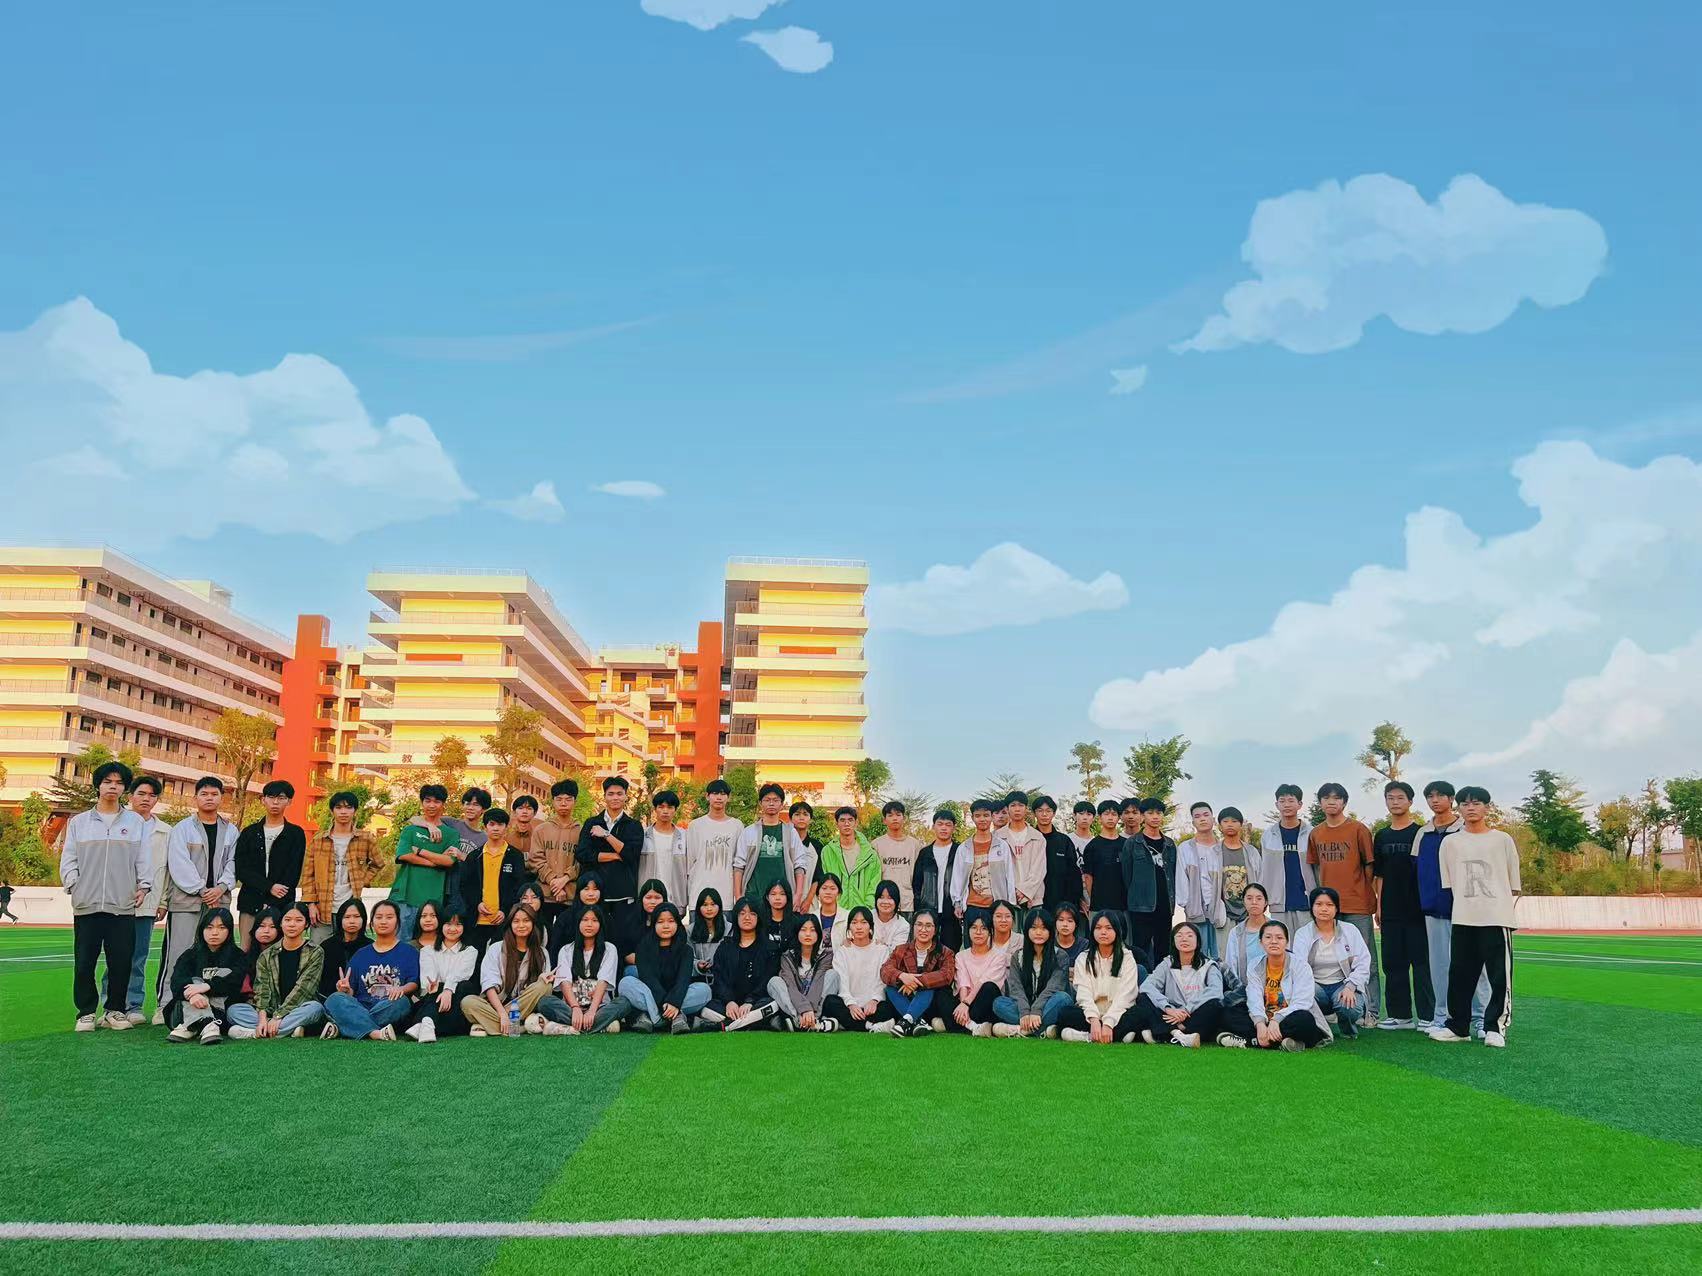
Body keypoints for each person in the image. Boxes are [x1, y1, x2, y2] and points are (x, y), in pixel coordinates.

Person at [60, 759, 149, 1032]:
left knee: (121, 961)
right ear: (98, 785)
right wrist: (74, 884)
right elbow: (69, 858)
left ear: (124, 789)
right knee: (84, 962)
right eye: (107, 782)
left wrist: (144, 886)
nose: (113, 787)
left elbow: (143, 858)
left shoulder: (135, 822)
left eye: (119, 783)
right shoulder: (80, 822)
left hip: (122, 904)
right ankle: (86, 1013)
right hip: (87, 904)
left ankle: (115, 1010)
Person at [1431, 786, 1520, 1048]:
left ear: (1487, 808)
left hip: (1496, 918)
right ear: (1458, 808)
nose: (1470, 808)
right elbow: (1449, 884)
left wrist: (1501, 909)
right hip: (1463, 917)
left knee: (1498, 977)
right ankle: (1458, 1027)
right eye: (1465, 803)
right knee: (1460, 976)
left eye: (1477, 803)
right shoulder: (1450, 843)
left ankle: (1495, 1027)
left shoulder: (1502, 840)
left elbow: (1513, 884)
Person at [157, 775, 237, 1025]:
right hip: (187, 901)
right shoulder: (183, 828)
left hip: (218, 902)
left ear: (221, 798)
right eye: (204, 794)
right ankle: (166, 1005)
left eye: (214, 794)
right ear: (195, 798)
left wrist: (221, 887)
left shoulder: (231, 830)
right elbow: (178, 863)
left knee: (217, 955)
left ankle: (214, 1003)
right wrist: (202, 890)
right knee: (178, 953)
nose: (209, 798)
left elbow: (233, 863)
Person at [1415, 780, 1488, 1037]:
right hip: (1434, 909)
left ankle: (1482, 1018)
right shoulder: (1422, 833)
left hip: (1467, 911)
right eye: (1430, 796)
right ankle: (1442, 1017)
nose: (1435, 800)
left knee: (1476, 967)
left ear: (1451, 799)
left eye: (1440, 796)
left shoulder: (1465, 831)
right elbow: (1417, 870)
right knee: (1439, 967)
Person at [1307, 781, 1380, 1023]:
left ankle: (1370, 1011)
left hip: (1357, 903)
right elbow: (1316, 868)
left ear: (1344, 802)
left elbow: (1369, 866)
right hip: (1328, 907)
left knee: (1365, 958)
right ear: (1320, 803)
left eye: (1336, 798)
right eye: (1326, 798)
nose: (1331, 802)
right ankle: (1338, 1008)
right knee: (1332, 959)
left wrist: (1365, 893)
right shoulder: (1316, 833)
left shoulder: (1358, 829)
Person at [1374, 780, 1433, 1030]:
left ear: (1410, 801)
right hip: (1391, 910)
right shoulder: (1382, 836)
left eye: (1400, 798)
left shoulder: (1422, 833)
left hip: (1418, 909)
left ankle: (1428, 1017)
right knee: (1393, 963)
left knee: (1422, 964)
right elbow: (1379, 874)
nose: (1395, 802)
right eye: (1390, 798)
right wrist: (1379, 905)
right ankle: (1400, 1016)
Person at [322, 899, 419, 1041]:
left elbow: (414, 983)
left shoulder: (409, 951)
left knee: (402, 1002)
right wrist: (345, 990)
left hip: (389, 1005)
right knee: (335, 999)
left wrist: (402, 989)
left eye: (389, 917)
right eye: (379, 917)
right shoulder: (361, 954)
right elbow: (352, 992)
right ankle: (375, 1033)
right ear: (371, 923)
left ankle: (348, 1025)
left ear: (398, 922)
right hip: (361, 1005)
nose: (383, 921)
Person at [228, 901, 324, 1039]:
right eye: (287, 920)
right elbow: (262, 990)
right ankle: (286, 1029)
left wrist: (279, 1016)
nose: (292, 924)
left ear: (306, 924)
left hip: (298, 1008)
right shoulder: (267, 955)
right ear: (281, 923)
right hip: (271, 1009)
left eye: (298, 920)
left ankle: (256, 1032)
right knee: (233, 1011)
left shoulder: (315, 952)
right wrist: (263, 1018)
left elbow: (304, 989)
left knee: (315, 1008)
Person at [462, 903, 558, 1037]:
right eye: (516, 921)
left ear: (533, 924)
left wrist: (541, 979)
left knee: (545, 986)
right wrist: (502, 1013)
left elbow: (536, 992)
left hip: (524, 1006)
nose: (521, 925)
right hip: (496, 1005)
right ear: (510, 924)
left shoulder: (542, 953)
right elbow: (489, 985)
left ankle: (491, 1025)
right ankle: (520, 1027)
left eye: (526, 921)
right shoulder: (496, 949)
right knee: (468, 1002)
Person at [299, 791, 383, 944]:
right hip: (322, 908)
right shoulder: (318, 840)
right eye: (338, 807)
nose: (343, 812)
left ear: (355, 811)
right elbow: (308, 875)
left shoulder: (365, 838)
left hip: (351, 907)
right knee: (319, 950)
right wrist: (310, 904)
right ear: (332, 811)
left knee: (350, 949)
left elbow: (378, 864)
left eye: (348, 807)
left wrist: (362, 880)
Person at [1291, 886, 1371, 1038]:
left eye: (1329, 905)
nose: (1324, 909)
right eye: (1319, 904)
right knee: (1304, 995)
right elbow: (1299, 967)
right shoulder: (1303, 933)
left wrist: (1350, 986)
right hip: (1315, 985)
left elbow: (1363, 962)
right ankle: (1319, 1029)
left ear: (1336, 908)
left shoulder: (1350, 930)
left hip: (1342, 985)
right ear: (1312, 907)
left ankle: (1347, 1029)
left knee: (1350, 1007)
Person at [233, 779, 306, 946]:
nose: (275, 802)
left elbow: (293, 870)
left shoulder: (295, 834)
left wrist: (273, 899)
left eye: (281, 798)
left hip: (281, 904)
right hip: (250, 901)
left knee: (276, 952)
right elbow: (241, 868)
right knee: (246, 949)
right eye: (271, 797)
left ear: (289, 801)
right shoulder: (249, 832)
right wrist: (268, 887)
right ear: (263, 800)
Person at [1130, 922, 1226, 1047]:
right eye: (1179, 935)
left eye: (1189, 935)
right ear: (1173, 941)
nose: (1184, 939)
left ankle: (1168, 1032)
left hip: (1195, 1013)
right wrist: (1168, 1008)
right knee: (1144, 997)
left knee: (1215, 1005)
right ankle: (1178, 1035)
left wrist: (1186, 1010)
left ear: (1198, 942)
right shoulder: (1167, 964)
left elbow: (1215, 991)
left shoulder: (1209, 965)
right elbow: (1147, 986)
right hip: (1171, 1013)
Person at [619, 901, 709, 1033]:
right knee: (626, 983)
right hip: (652, 994)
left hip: (678, 995)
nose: (666, 926)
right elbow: (648, 979)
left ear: (677, 924)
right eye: (660, 922)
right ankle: (674, 1017)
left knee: (705, 990)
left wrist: (674, 1002)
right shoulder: (643, 948)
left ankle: (654, 1018)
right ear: (654, 924)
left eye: (671, 921)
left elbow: (683, 980)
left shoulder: (686, 950)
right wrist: (666, 1003)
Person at [165, 906, 247, 1044]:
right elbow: (176, 982)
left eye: (221, 928)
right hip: (185, 1009)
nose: (214, 933)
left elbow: (235, 982)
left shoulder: (237, 956)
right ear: (201, 929)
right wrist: (194, 995)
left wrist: (207, 986)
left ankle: (192, 1026)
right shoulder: (190, 955)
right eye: (209, 927)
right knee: (194, 982)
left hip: (221, 1011)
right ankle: (208, 1024)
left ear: (229, 931)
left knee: (219, 976)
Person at [1056, 911, 1142, 1044]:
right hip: (1092, 1012)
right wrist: (1094, 1019)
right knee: (1065, 1013)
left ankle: (1085, 1036)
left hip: (1118, 1012)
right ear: (1092, 932)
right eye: (1098, 928)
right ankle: (1116, 1036)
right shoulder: (1083, 958)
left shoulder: (1127, 958)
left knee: (1140, 1013)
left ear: (1117, 931)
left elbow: (1126, 995)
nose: (1103, 932)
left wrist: (1108, 1022)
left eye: (1108, 928)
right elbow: (1083, 993)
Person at [126, 775, 171, 1024]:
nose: (146, 799)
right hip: (116, 902)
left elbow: (166, 870)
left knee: (139, 957)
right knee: (115, 956)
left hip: (148, 904)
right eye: (141, 794)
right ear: (130, 796)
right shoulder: (118, 824)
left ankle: (133, 1005)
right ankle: (112, 1004)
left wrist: (163, 901)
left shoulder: (165, 832)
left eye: (152, 795)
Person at [390, 784, 460, 940]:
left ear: (443, 804)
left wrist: (420, 851)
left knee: (429, 945)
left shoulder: (451, 834)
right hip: (405, 898)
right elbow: (404, 855)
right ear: (422, 802)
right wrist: (434, 863)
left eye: (437, 801)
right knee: (401, 944)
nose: (432, 805)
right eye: (427, 801)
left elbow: (449, 860)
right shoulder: (410, 830)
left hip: (433, 901)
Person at [1246, 919, 1329, 1051]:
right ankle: (1282, 1041)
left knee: (1304, 1019)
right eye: (1268, 937)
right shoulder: (1254, 965)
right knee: (1231, 1013)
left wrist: (1276, 1020)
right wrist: (1260, 1024)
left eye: (1279, 938)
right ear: (1261, 942)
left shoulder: (1300, 966)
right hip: (1266, 1018)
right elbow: (1254, 998)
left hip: (1289, 1018)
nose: (1274, 941)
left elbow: (1302, 1002)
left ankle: (1255, 1040)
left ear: (1287, 942)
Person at [576, 776, 644, 933]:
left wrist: (606, 835)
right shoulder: (591, 823)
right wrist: (616, 855)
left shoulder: (634, 826)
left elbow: (631, 855)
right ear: (604, 796)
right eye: (611, 794)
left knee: (621, 937)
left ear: (626, 796)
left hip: (623, 894)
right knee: (595, 935)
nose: (615, 798)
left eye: (619, 794)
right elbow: (582, 854)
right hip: (595, 893)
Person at [456, 807, 527, 956]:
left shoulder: (515, 856)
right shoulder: (474, 856)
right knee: (475, 961)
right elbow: (465, 886)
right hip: (478, 920)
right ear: (485, 827)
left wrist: (505, 910)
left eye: (500, 824)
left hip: (504, 921)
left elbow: (518, 887)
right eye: (492, 824)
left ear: (506, 828)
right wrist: (477, 904)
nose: (496, 828)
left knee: (503, 961)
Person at [551, 904, 629, 1035]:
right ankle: (598, 1026)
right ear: (578, 923)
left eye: (594, 920)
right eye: (585, 920)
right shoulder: (566, 950)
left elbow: (603, 981)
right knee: (545, 1002)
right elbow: (564, 982)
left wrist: (592, 1011)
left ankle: (570, 1027)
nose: (589, 924)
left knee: (624, 1003)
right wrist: (575, 1008)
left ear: (600, 924)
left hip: (599, 1007)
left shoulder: (609, 949)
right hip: (571, 1007)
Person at [993, 907, 1071, 1038]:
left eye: (1043, 928)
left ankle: (1021, 1029)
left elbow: (1054, 987)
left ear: (1050, 931)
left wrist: (1036, 1010)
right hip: (1025, 1007)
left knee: (1063, 999)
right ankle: (1043, 1030)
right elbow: (1016, 988)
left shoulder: (1060, 956)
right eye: (1034, 928)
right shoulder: (1018, 956)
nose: (1038, 932)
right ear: (1027, 930)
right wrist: (1025, 1012)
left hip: (1048, 1005)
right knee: (998, 1003)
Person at [876, 908, 955, 1036]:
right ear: (913, 927)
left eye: (928, 926)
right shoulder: (901, 950)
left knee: (928, 986)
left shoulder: (946, 952)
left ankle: (906, 1022)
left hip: (930, 1005)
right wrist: (902, 976)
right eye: (919, 925)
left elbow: (947, 975)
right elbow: (885, 970)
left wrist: (916, 981)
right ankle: (917, 1022)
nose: (923, 929)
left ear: (935, 929)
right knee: (890, 988)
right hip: (907, 1002)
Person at [703, 899, 779, 1031]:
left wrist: (750, 1001)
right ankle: (752, 1023)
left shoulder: (770, 948)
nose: (747, 917)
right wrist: (729, 1001)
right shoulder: (725, 946)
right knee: (706, 1009)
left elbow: (767, 980)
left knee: (772, 1005)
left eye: (752, 914)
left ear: (759, 918)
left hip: (756, 1002)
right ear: (736, 917)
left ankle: (724, 1025)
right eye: (742, 913)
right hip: (729, 1005)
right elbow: (718, 979)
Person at [408, 906, 477, 1042]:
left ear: (464, 927)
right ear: (441, 925)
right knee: (436, 987)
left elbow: (461, 973)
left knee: (464, 985)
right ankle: (428, 1023)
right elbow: (429, 979)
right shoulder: (427, 951)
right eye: (448, 924)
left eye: (458, 924)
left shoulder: (470, 951)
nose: (453, 929)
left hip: (457, 1002)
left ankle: (424, 1023)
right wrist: (435, 987)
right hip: (433, 998)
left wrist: (448, 990)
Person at [1215, 882, 1272, 1047]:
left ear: (1266, 902)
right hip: (1245, 991)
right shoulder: (1236, 933)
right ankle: (1263, 1036)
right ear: (1244, 902)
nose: (1254, 902)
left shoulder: (1276, 928)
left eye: (1259, 898)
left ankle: (1253, 1037)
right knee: (1224, 1012)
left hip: (1274, 990)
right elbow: (1231, 966)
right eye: (1249, 898)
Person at [1257, 784, 1316, 936]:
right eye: (1282, 801)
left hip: (1307, 901)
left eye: (1291, 800)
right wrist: (1264, 898)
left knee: (1308, 943)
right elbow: (1265, 870)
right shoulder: (1268, 835)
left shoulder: (1312, 833)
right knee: (1281, 943)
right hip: (1279, 902)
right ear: (1276, 804)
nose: (1286, 805)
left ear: (1300, 804)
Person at [950, 799, 1015, 937]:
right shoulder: (964, 848)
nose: (982, 819)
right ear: (973, 818)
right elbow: (957, 877)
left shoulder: (1002, 846)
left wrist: (1010, 905)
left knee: (997, 945)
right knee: (973, 944)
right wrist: (957, 903)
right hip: (972, 906)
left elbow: (1009, 876)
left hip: (997, 906)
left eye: (986, 815)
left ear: (992, 817)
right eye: (978, 815)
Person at [769, 914, 842, 1032]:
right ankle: (801, 1020)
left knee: (832, 975)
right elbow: (790, 985)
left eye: (812, 930)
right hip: (795, 1003)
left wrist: (809, 1010)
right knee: (774, 982)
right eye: (803, 930)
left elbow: (818, 982)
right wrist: (804, 1009)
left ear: (818, 934)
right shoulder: (787, 956)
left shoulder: (826, 955)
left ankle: (809, 1020)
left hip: (817, 1003)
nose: (808, 934)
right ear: (797, 933)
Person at [530, 779, 582, 933]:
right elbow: (535, 860)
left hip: (570, 897)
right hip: (544, 896)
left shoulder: (582, 831)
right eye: (559, 799)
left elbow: (583, 862)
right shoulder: (541, 829)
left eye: (568, 799)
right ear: (553, 801)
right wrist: (555, 883)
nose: (563, 803)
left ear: (575, 801)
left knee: (566, 939)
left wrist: (564, 879)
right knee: (542, 937)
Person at [684, 779, 743, 910]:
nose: (719, 797)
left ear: (728, 797)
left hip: (727, 898)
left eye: (723, 794)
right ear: (707, 796)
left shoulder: (737, 826)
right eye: (715, 793)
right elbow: (690, 862)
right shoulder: (695, 825)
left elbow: (738, 863)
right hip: (699, 895)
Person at [911, 808, 964, 950]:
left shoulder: (960, 851)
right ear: (933, 826)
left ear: (954, 828)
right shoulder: (925, 853)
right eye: (940, 824)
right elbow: (917, 883)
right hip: (928, 908)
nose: (944, 828)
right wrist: (919, 906)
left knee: (951, 950)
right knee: (928, 950)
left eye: (948, 825)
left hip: (951, 910)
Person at [1177, 802, 1224, 959]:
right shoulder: (1185, 848)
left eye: (1206, 815)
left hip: (1220, 908)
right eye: (1197, 816)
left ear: (1213, 819)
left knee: (1221, 952)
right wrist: (1187, 903)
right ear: (1193, 822)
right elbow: (1181, 878)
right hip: (1196, 908)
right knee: (1198, 952)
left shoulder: (1222, 848)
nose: (1202, 819)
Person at [950, 914, 1010, 1036]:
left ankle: (957, 1023)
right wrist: (963, 1005)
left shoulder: (999, 956)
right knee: (943, 994)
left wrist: (966, 1004)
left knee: (988, 986)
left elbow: (984, 981)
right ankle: (973, 1025)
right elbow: (963, 983)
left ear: (990, 932)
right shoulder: (961, 956)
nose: (978, 932)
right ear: (968, 931)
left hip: (987, 1003)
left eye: (983, 928)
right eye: (974, 928)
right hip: (967, 1003)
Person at [831, 906, 888, 1031]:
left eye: (863, 922)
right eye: (854, 923)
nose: (859, 927)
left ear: (870, 926)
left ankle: (847, 1023)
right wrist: (851, 1004)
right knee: (830, 1002)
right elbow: (842, 983)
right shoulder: (842, 952)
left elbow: (882, 981)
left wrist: (875, 1000)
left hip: (873, 1006)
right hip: (849, 1006)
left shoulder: (882, 950)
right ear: (849, 927)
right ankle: (869, 1026)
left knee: (888, 1006)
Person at [818, 805, 879, 914]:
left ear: (856, 823)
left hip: (862, 911)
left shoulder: (870, 853)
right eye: (842, 820)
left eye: (850, 820)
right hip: (835, 911)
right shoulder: (827, 852)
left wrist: (867, 906)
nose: (846, 824)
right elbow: (824, 880)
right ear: (836, 824)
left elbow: (874, 882)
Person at [1215, 807, 1253, 960]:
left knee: (1249, 952)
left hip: (1247, 911)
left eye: (1234, 821)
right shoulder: (1214, 851)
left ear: (1241, 824)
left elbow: (1259, 879)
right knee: (1225, 954)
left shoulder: (1251, 852)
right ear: (1219, 826)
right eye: (1225, 821)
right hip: (1224, 911)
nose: (1230, 824)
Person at [1035, 796, 1083, 914]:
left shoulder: (1064, 841)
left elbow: (1074, 873)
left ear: (1054, 813)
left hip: (1060, 903)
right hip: (1034, 901)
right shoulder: (1030, 839)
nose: (1044, 814)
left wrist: (1073, 901)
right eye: (1040, 811)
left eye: (1048, 811)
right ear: (1034, 813)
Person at [872, 801, 921, 914]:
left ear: (904, 818)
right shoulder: (876, 845)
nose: (895, 818)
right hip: (884, 903)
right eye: (890, 815)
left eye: (898, 815)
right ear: (884, 820)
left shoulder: (915, 845)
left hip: (907, 903)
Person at [641, 790, 688, 906]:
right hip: (649, 899)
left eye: (670, 807)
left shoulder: (684, 836)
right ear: (655, 809)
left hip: (675, 898)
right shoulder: (643, 835)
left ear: (675, 810)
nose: (665, 811)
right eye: (661, 807)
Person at [1081, 800, 1126, 919]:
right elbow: (1088, 877)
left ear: (1119, 818)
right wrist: (1094, 900)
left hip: (1124, 906)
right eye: (1106, 814)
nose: (1110, 818)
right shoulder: (1092, 846)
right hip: (1099, 907)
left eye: (1114, 814)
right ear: (1099, 818)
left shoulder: (1126, 845)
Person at [318, 897, 370, 999]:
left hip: (363, 999)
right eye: (347, 917)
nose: (352, 921)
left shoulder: (370, 947)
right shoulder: (327, 946)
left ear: (363, 919)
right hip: (332, 999)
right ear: (340, 920)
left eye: (357, 916)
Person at [621, 879, 673, 970]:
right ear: (641, 899)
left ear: (664, 899)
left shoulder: (671, 922)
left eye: (657, 898)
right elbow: (625, 953)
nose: (653, 902)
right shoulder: (631, 921)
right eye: (648, 897)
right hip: (636, 968)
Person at [790, 801, 823, 908]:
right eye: (797, 814)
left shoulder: (817, 846)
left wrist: (808, 900)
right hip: (786, 901)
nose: (801, 818)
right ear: (790, 819)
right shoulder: (785, 844)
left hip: (809, 903)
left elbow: (818, 877)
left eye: (805, 814)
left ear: (810, 819)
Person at [689, 887, 726, 983]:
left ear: (719, 906)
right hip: (699, 980)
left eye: (713, 904)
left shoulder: (730, 928)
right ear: (699, 907)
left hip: (724, 979)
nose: (709, 908)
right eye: (705, 905)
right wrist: (698, 965)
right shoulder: (690, 930)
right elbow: (688, 958)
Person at [758, 878, 800, 952]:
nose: (777, 898)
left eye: (782, 894)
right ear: (767, 897)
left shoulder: (796, 922)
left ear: (788, 897)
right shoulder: (759, 921)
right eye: (773, 894)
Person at [871, 880, 910, 948]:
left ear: (896, 901)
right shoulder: (867, 917)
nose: (885, 902)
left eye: (890, 898)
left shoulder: (903, 925)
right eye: (881, 897)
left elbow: (896, 952)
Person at [814, 873, 846, 949]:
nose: (828, 892)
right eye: (824, 888)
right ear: (818, 894)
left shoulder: (847, 917)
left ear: (839, 894)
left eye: (832, 888)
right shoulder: (812, 917)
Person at [1052, 902, 1089, 967]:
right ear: (1055, 922)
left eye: (1070, 921)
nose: (1065, 924)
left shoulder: (1084, 945)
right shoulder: (1049, 943)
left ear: (1076, 924)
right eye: (1061, 920)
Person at [508, 794, 540, 865]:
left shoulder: (540, 832)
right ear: (514, 812)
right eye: (520, 808)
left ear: (535, 813)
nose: (524, 811)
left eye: (529, 808)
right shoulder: (505, 831)